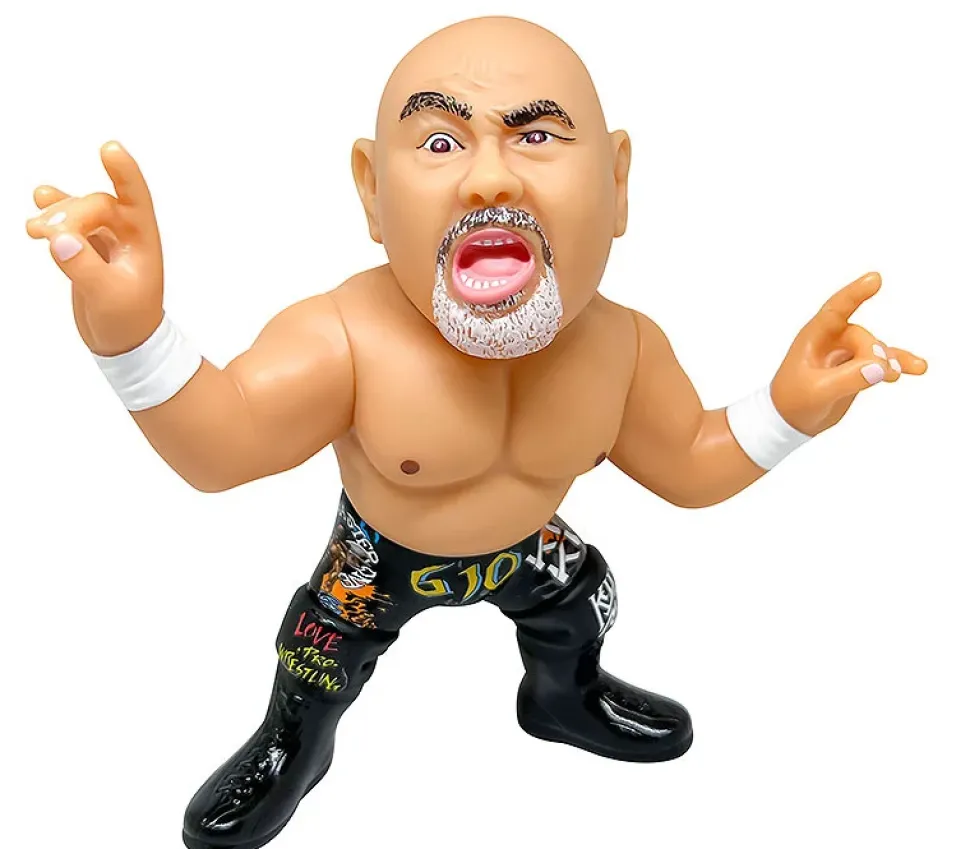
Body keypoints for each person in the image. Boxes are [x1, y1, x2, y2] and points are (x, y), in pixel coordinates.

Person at [25, 15, 926, 849]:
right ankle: (293, 745)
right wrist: (133, 336)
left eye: (537, 136)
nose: (490, 177)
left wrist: (787, 410)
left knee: (584, 598)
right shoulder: (343, 339)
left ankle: (561, 696)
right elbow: (223, 450)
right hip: (379, 555)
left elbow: (690, 465)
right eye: (441, 143)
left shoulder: (622, 348)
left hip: (527, 543)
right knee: (317, 653)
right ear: (373, 195)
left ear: (616, 185)